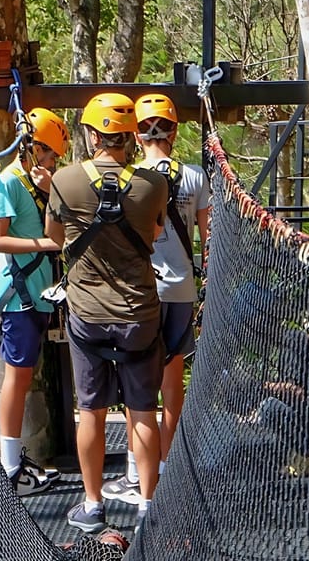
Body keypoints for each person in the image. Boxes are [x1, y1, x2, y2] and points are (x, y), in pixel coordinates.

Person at [45, 93, 168, 533]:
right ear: (130, 135)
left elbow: (54, 235)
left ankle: (94, 503)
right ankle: (149, 504)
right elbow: (154, 234)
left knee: (92, 410)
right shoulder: (154, 183)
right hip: (139, 313)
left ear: (92, 134)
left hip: (88, 315)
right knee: (142, 410)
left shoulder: (65, 180)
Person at [101, 93, 210, 505]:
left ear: (136, 132)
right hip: (181, 289)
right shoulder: (196, 177)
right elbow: (209, 237)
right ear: (174, 130)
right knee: (171, 383)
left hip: (141, 290)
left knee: (137, 382)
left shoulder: (127, 178)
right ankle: (165, 469)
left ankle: (135, 472)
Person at [0, 107, 70, 496]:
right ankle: (8, 467)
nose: (53, 161)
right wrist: (44, 244)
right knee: (17, 377)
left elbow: (61, 232)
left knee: (23, 374)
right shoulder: (6, 183)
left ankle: (15, 462)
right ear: (32, 148)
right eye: (50, 154)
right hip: (18, 293)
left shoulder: (40, 184)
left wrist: (52, 189)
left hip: (37, 292)